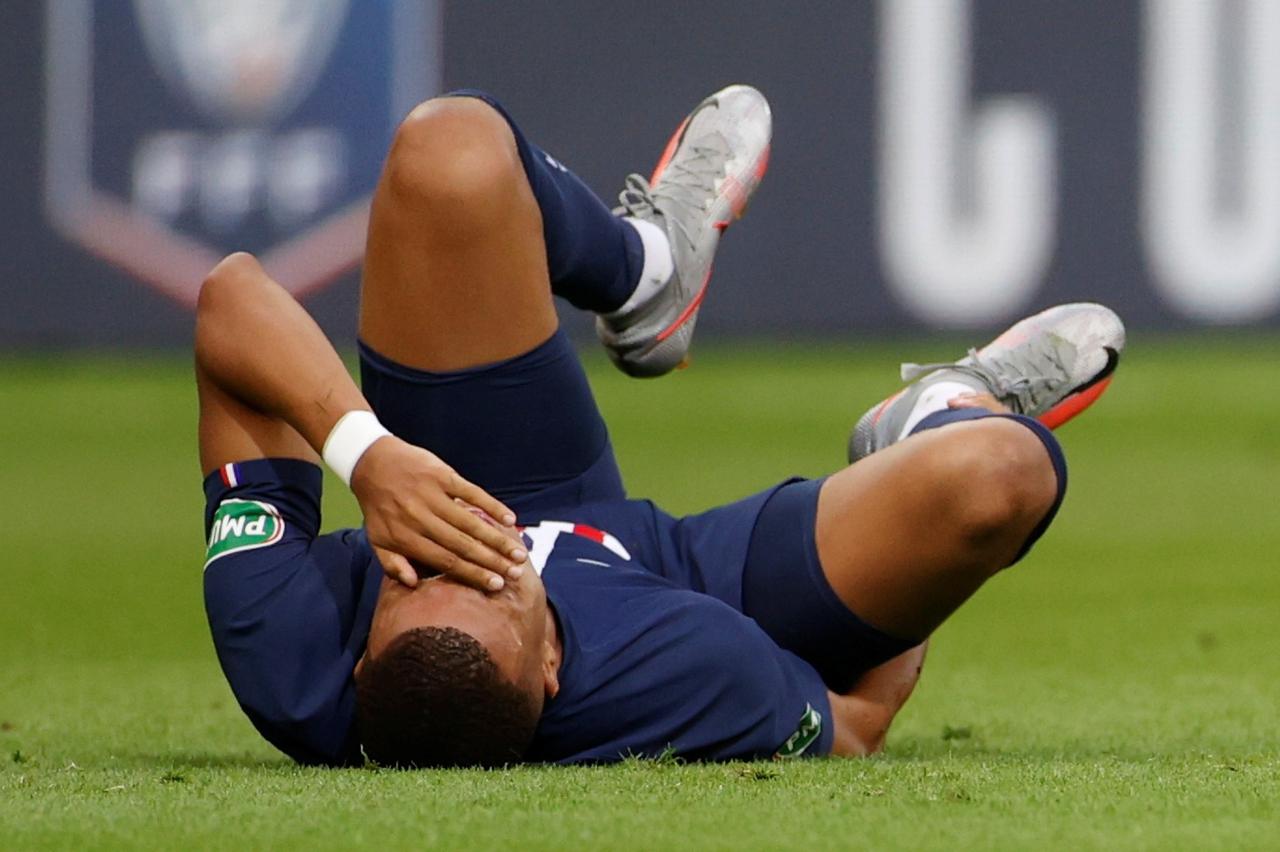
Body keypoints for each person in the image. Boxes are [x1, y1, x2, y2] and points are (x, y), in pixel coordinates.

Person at [194, 85, 1124, 767]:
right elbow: (855, 727)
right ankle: (931, 417)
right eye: (496, 575)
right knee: (1000, 477)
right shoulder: (663, 683)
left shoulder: (291, 650)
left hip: (465, 456)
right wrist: (911, 567)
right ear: (552, 667)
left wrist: (370, 455)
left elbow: (232, 305)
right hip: (693, 581)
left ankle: (645, 273)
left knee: (450, 149)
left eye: (421, 566)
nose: (481, 545)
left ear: (362, 658)